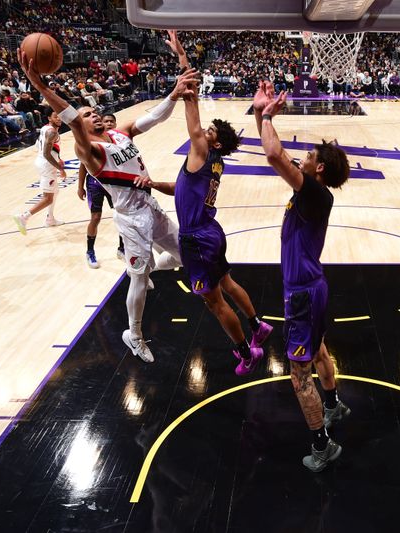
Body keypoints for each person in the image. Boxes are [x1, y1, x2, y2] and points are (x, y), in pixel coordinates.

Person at [17, 39, 197, 364]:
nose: (94, 115)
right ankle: (135, 334)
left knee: (188, 258)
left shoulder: (120, 134)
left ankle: (151, 263)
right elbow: (71, 120)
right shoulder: (88, 150)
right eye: (88, 114)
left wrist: (173, 94)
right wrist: (40, 86)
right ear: (81, 126)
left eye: (96, 112)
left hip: (151, 208)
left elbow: (154, 117)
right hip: (130, 220)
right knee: (139, 278)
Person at [254, 82, 351, 472]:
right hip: (314, 288)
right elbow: (282, 154)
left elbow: (274, 154)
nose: (303, 156)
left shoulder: (315, 193)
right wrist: (262, 113)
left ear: (319, 169)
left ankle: (322, 445)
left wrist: (265, 115)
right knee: (321, 348)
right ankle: (333, 404)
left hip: (303, 294)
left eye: (309, 155)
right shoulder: (314, 190)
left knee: (298, 375)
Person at [166, 30, 272, 376]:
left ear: (215, 141)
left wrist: (182, 62)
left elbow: (191, 103)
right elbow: (183, 187)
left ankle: (246, 352)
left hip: (197, 236)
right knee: (226, 281)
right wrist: (153, 183)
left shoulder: (202, 149)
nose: (204, 130)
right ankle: (257, 325)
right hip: (211, 231)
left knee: (214, 301)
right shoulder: (215, 161)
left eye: (210, 130)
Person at [76, 112, 124, 268]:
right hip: (95, 183)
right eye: (106, 121)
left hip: (113, 182)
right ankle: (90, 251)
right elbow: (83, 165)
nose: (109, 123)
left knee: (121, 215)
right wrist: (80, 186)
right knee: (95, 217)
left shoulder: (118, 141)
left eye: (111, 121)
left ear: (115, 125)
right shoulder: (91, 143)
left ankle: (122, 248)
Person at [13, 111, 65, 233]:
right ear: (49, 118)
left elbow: (38, 146)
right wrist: (60, 168)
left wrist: (58, 158)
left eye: (60, 116)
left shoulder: (45, 128)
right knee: (48, 198)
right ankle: (24, 217)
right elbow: (47, 154)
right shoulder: (52, 132)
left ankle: (50, 219)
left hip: (43, 162)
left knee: (54, 191)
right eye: (55, 116)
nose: (58, 118)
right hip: (47, 165)